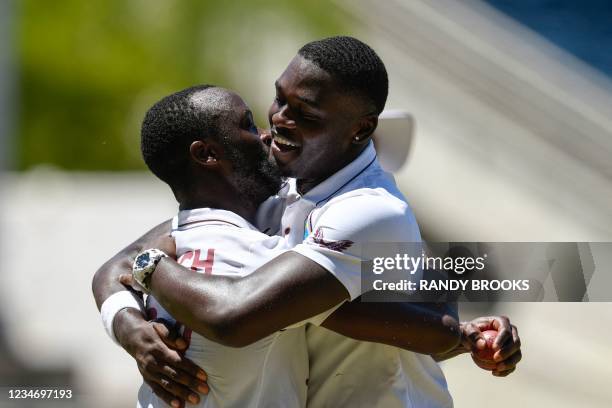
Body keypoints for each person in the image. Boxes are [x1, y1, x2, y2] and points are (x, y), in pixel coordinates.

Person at [93, 36, 521, 408]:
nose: (279, 119)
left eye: (306, 114)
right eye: (280, 98)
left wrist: (150, 269)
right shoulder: (272, 185)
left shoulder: (367, 210)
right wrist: (129, 327)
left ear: (360, 130)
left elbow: (233, 315)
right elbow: (118, 265)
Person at [132, 84, 321, 407]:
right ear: (206, 154)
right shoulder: (264, 254)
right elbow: (429, 331)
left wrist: (128, 307)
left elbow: (122, 265)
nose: (266, 134)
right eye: (248, 124)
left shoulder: (177, 241)